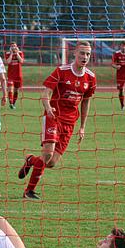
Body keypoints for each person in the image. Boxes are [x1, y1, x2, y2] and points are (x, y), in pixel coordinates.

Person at [18, 41, 96, 200]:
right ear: (75, 53)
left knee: (52, 162)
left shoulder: (91, 78)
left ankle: (31, 160)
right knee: (47, 154)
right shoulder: (61, 71)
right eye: (82, 53)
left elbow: (86, 101)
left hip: (70, 123)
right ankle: (29, 191)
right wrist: (48, 108)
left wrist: (82, 127)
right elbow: (45, 93)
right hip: (53, 117)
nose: (85, 57)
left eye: (88, 54)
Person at [4, 42, 25, 109]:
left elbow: (21, 61)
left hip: (18, 75)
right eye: (12, 46)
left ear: (17, 47)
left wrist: (17, 53)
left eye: (14, 46)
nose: (13, 47)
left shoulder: (20, 53)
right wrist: (12, 54)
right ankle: (11, 104)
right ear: (10, 47)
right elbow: (8, 62)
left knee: (16, 90)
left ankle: (13, 103)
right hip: (10, 75)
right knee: (10, 89)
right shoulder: (7, 53)